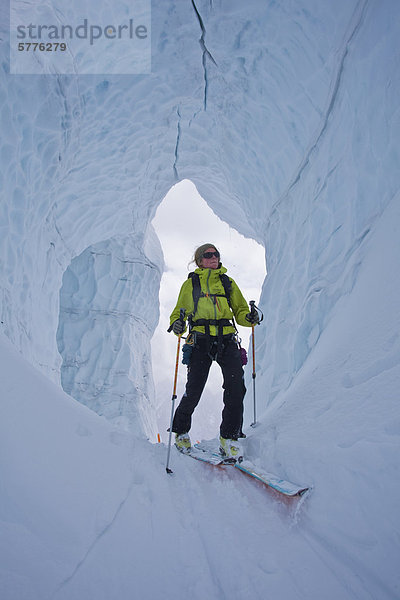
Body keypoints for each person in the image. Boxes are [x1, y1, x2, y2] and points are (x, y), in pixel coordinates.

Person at [168, 243, 260, 459]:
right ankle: (181, 430)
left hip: (226, 338)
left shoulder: (227, 282)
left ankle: (229, 437)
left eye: (216, 255)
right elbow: (178, 314)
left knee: (236, 387)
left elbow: (240, 311)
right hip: (200, 340)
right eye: (208, 255)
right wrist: (177, 325)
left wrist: (251, 318)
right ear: (199, 261)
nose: (213, 257)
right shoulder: (191, 284)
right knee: (194, 389)